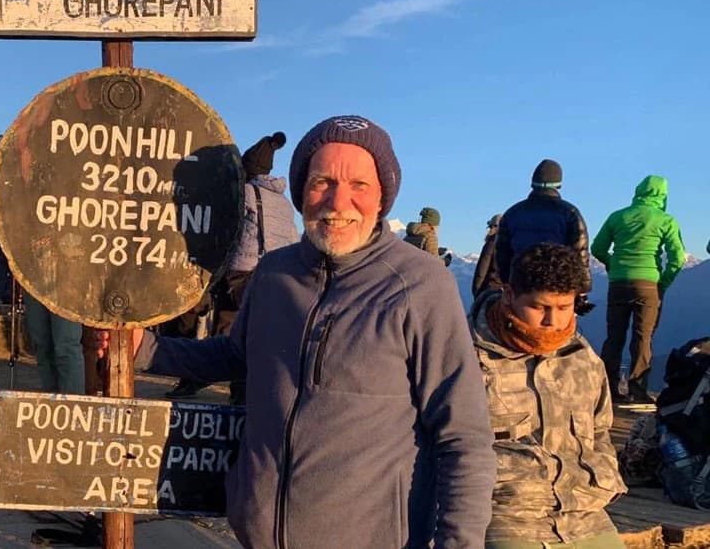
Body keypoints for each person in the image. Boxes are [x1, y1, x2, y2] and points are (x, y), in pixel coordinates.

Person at [117, 115, 496, 548]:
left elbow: (463, 437)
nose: (338, 201)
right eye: (322, 182)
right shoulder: (274, 274)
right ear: (300, 191)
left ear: (382, 198)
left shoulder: (419, 284)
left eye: (359, 185)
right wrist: (145, 349)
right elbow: (236, 354)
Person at [470, 243, 626, 547]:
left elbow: (600, 427)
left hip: (585, 510)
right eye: (539, 307)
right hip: (505, 515)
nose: (552, 321)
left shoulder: (581, 355)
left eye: (564, 307)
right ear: (509, 294)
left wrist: (601, 472)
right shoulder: (464, 355)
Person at [169, 131, 299, 404]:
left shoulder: (245, 193)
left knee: (228, 331)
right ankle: (241, 391)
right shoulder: (283, 201)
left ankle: (201, 381)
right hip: (276, 273)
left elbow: (228, 233)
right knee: (257, 332)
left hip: (243, 271)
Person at [591, 174, 686, 403]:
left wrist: (613, 264)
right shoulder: (666, 220)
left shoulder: (618, 216)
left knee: (614, 337)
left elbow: (597, 248)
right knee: (643, 338)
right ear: (663, 195)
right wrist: (663, 282)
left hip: (618, 283)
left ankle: (609, 390)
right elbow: (678, 258)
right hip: (648, 285)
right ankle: (638, 390)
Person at [496, 159, 592, 305]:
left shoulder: (512, 213)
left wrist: (507, 281)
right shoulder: (569, 213)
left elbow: (502, 254)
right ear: (559, 184)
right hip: (558, 284)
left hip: (521, 284)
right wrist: (583, 288)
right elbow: (580, 252)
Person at [22, 290, 85, 394]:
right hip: (33, 282)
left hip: (66, 284)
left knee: (67, 347)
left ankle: (72, 402)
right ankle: (51, 402)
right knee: (42, 347)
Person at [472, 213, 502, 297]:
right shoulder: (512, 243)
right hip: (508, 292)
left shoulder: (491, 244)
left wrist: (477, 292)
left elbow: (481, 271)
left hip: (491, 289)